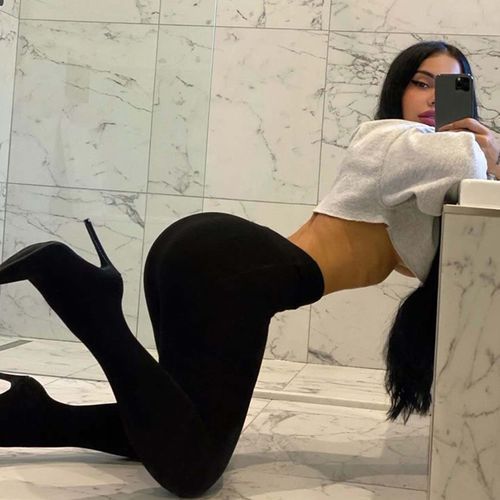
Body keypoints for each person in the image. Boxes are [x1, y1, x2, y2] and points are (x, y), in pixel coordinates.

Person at [0, 40, 498, 497]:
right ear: (398, 92)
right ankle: (87, 301)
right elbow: (470, 169)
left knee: (176, 422)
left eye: (451, 87)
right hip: (232, 272)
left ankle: (32, 417)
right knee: (192, 472)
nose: (433, 97)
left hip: (215, 257)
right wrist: (487, 147)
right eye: (421, 83)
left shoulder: (419, 165)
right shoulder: (398, 137)